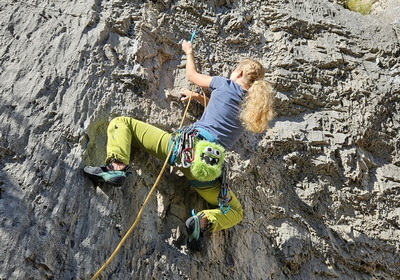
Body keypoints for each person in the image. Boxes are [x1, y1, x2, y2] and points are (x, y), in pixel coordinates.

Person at [84, 40, 274, 250]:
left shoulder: (224, 84)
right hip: (207, 169)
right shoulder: (250, 110)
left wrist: (189, 52)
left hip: (184, 149)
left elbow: (192, 76)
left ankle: (116, 168)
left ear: (238, 73)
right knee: (235, 211)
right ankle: (202, 221)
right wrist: (197, 98)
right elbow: (220, 109)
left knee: (123, 123)